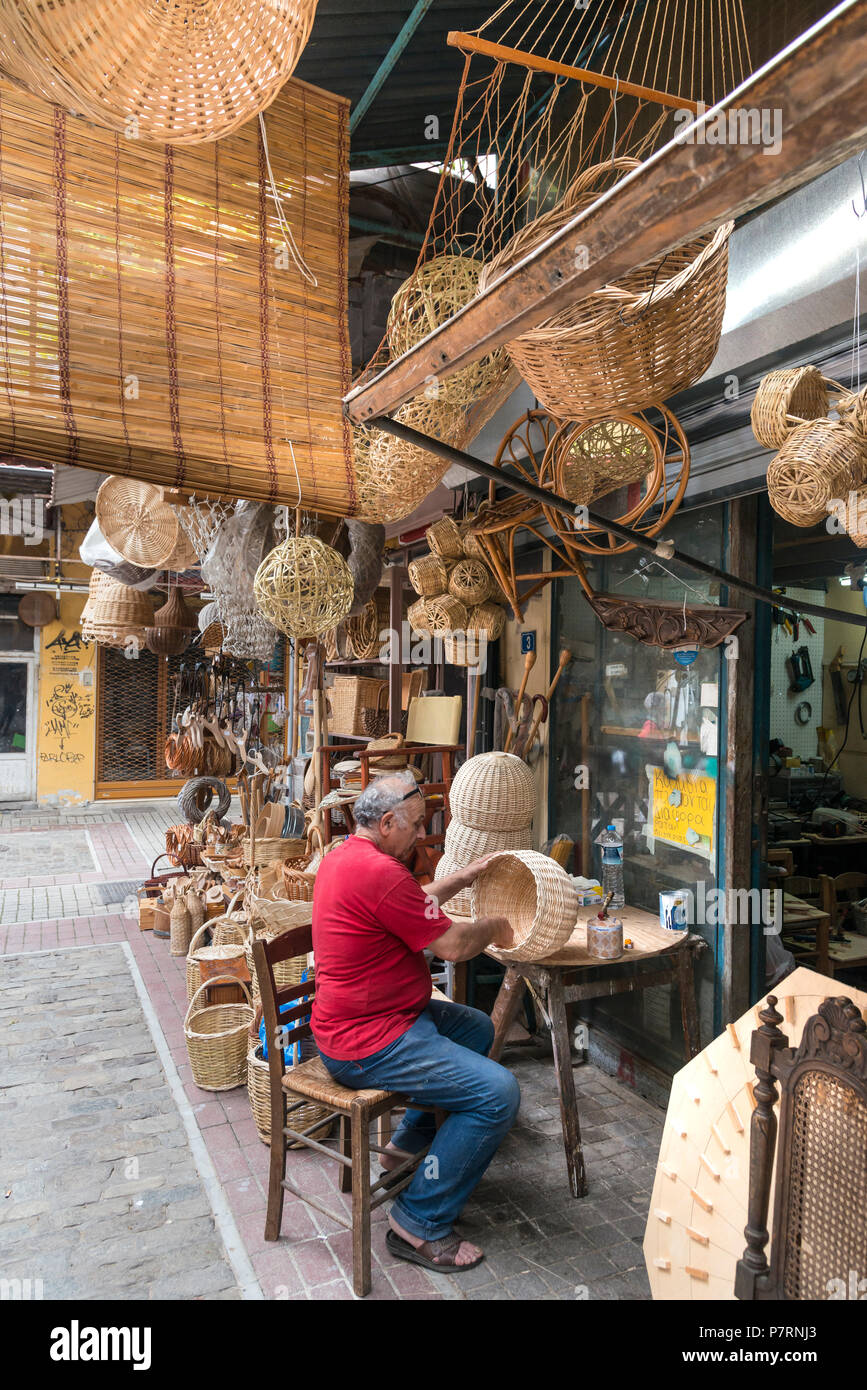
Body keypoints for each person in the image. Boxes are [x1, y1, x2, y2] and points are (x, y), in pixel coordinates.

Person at [311, 768, 518, 1273]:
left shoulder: (347, 857)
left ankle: (403, 1150)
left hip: (377, 1017)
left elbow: (413, 904)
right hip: (367, 1042)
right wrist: (498, 925)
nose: (420, 835)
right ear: (386, 823)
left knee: (478, 1029)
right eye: (416, 825)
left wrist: (463, 878)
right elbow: (452, 944)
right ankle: (417, 1221)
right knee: (498, 1094)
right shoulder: (381, 873)